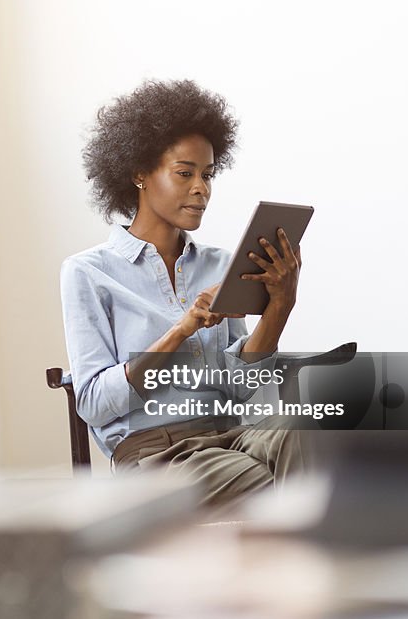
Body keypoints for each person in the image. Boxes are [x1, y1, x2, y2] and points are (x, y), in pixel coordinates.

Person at [60, 79, 306, 512]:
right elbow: (95, 404)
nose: (201, 188)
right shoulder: (88, 273)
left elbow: (240, 389)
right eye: (184, 173)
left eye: (208, 175)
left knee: (308, 436)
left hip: (231, 435)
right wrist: (180, 331)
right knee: (260, 480)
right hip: (154, 456)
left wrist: (279, 308)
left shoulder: (221, 264)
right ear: (139, 173)